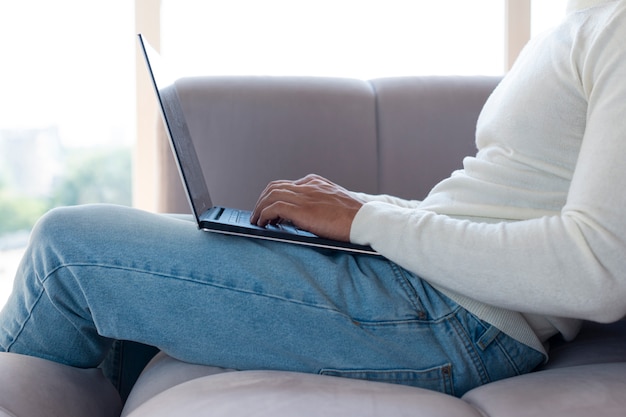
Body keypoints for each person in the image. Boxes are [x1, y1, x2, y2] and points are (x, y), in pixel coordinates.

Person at [1, 0, 625, 399]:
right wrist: (365, 211)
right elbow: (502, 203)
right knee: (132, 266)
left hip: (453, 318)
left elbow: (598, 268)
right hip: (428, 288)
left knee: (68, 248)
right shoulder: (581, 20)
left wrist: (368, 219)